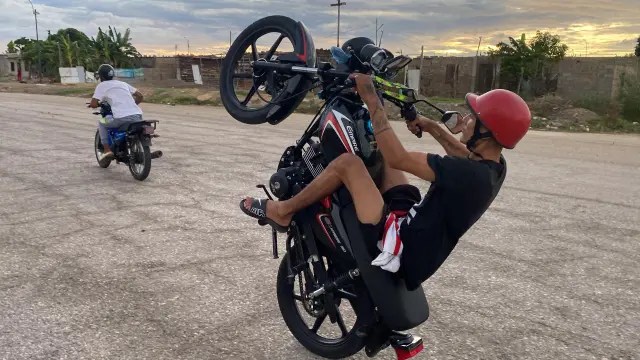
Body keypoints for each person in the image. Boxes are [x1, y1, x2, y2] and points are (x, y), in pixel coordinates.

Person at [241, 73, 531, 290]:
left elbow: (400, 158)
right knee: (376, 156)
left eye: (473, 118)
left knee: (349, 164)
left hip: (403, 248)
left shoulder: (469, 176)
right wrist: (431, 126)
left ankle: (283, 210)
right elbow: (464, 155)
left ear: (488, 132)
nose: (466, 118)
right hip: (418, 229)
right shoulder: (494, 167)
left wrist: (372, 100)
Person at [88, 64, 144, 162]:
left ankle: (107, 150)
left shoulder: (102, 85)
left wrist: (95, 105)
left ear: (101, 76)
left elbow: (93, 103)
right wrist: (131, 105)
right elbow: (140, 96)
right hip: (138, 116)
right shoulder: (122, 84)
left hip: (121, 118)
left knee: (102, 123)